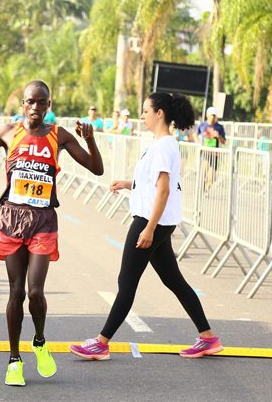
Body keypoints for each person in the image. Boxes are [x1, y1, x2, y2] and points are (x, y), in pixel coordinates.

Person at [0, 80, 103, 386]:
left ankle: (39, 341)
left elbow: (96, 169)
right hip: (12, 219)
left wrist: (90, 140)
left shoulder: (58, 136)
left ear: (49, 106)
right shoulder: (8, 132)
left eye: (42, 103)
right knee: (16, 292)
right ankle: (14, 360)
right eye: (30, 102)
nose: (35, 108)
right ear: (23, 104)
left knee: (35, 291)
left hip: (43, 221)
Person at [69, 92, 222, 361]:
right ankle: (208, 337)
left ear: (159, 113)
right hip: (159, 220)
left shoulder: (163, 146)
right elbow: (155, 184)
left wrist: (149, 228)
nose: (141, 116)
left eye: (145, 111)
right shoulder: (160, 144)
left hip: (151, 220)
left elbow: (163, 191)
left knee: (126, 282)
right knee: (173, 280)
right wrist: (129, 184)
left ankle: (101, 343)